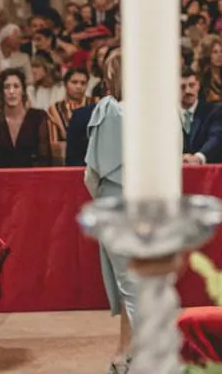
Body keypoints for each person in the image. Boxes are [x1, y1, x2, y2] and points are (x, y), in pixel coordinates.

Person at [84, 49, 135, 374]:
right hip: (152, 201)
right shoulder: (163, 111)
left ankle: (138, 353)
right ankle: (126, 349)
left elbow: (91, 172)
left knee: (127, 282)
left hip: (114, 201)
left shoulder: (109, 111)